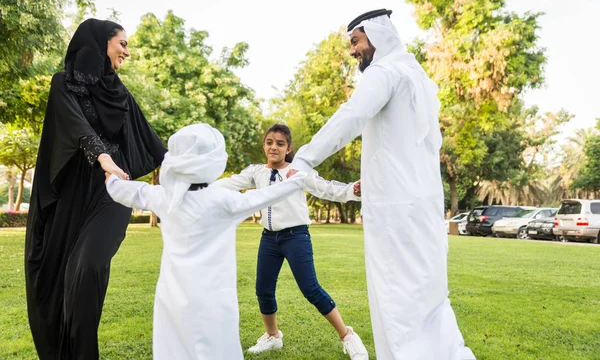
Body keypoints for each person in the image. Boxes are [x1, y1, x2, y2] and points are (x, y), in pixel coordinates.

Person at [286, 9, 476, 360]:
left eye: (356, 41)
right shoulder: (414, 74)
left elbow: (351, 116)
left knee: (396, 294)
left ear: (378, 36)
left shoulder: (385, 72)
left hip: (395, 208)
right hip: (422, 205)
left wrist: (305, 159)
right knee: (428, 294)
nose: (353, 51)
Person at [24, 19, 167, 360]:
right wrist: (100, 155)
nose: (127, 52)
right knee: (59, 277)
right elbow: (75, 125)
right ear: (101, 43)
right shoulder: (64, 84)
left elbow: (152, 142)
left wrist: (191, 167)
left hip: (112, 191)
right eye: (123, 44)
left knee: (88, 267)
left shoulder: (119, 93)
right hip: (70, 198)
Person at [105, 123, 308, 360]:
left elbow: (126, 191)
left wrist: (111, 177)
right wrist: (296, 179)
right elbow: (266, 195)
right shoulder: (224, 201)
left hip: (173, 299)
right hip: (215, 300)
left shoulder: (163, 197)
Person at [214, 123, 369, 359]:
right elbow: (229, 183)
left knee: (311, 289)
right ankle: (273, 336)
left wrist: (352, 190)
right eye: (269, 142)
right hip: (269, 239)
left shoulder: (297, 172)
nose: (273, 147)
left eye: (280, 143)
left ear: (288, 148)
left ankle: (347, 335)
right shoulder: (256, 172)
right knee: (263, 290)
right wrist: (197, 188)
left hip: (296, 236)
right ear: (264, 145)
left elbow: (326, 188)